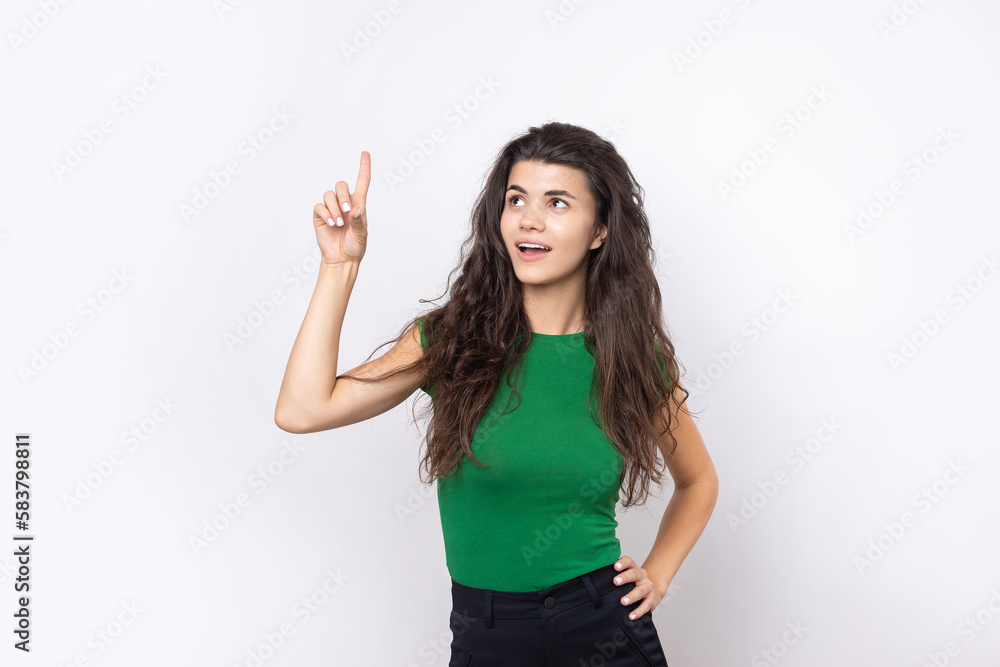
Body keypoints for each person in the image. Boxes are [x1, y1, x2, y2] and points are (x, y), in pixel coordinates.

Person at [274, 122, 719, 666]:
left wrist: (658, 574)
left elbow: (698, 481)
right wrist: (339, 265)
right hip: (486, 634)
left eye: (557, 202)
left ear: (599, 230)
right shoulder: (451, 342)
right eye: (516, 199)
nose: (529, 218)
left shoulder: (630, 358)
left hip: (602, 625)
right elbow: (302, 410)